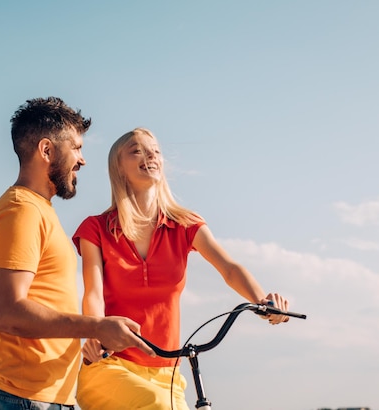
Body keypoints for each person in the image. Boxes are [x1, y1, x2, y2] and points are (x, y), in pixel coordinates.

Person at [72, 127, 291, 410]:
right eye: (137, 150)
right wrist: (95, 331)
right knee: (155, 405)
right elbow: (93, 293)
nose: (150, 155)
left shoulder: (185, 224)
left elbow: (229, 268)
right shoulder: (97, 228)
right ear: (118, 167)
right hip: (111, 366)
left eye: (155, 151)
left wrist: (263, 302)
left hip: (169, 374)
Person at [0, 98, 154, 410]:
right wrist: (96, 327)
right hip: (24, 398)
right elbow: (8, 313)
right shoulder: (22, 211)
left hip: (44, 397)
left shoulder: (38, 210)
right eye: (77, 148)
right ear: (46, 150)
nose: (82, 160)